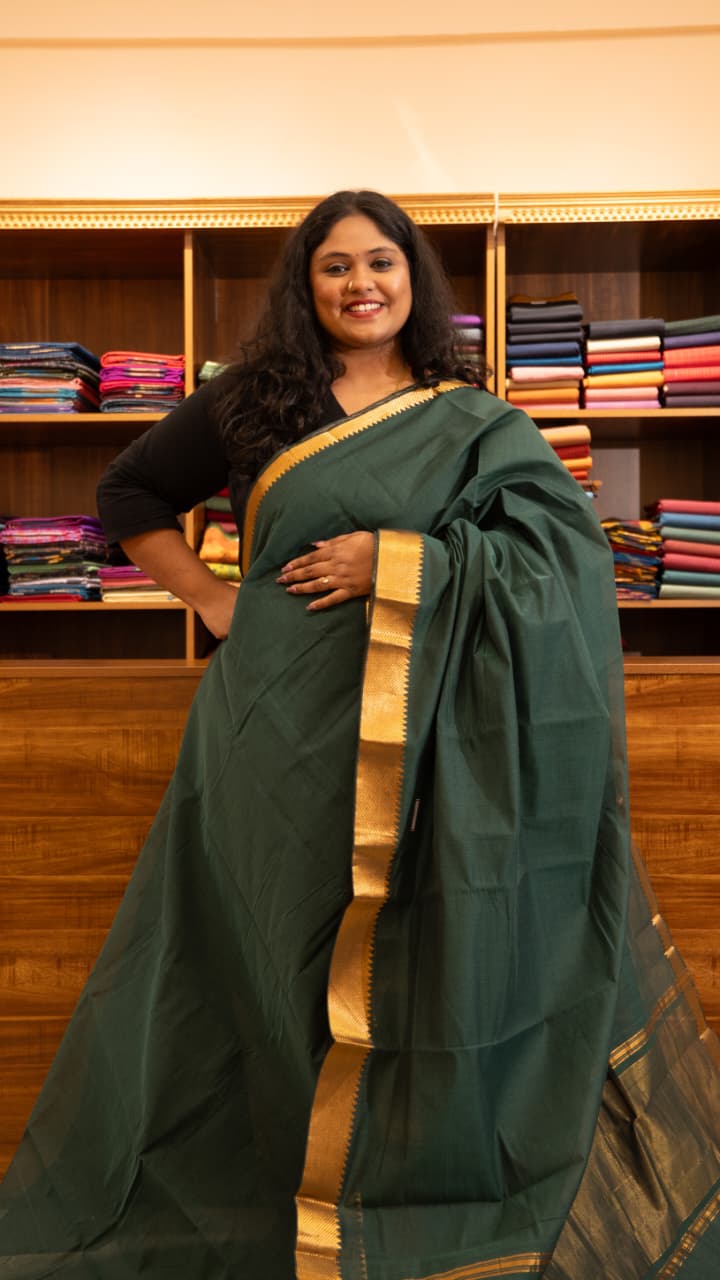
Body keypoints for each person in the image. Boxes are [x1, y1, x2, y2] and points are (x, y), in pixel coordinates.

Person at [1, 190, 719, 1279]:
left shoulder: (468, 415)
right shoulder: (255, 400)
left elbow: (560, 556)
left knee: (411, 960)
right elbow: (128, 489)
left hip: (431, 743)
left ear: (413, 278)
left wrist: (402, 558)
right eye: (334, 265)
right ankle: (289, 1201)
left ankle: (399, 1191)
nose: (360, 284)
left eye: (381, 261)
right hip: (271, 731)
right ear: (307, 284)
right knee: (273, 954)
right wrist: (214, 598)